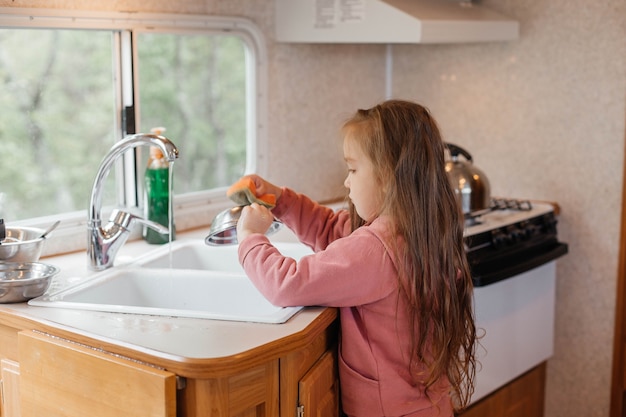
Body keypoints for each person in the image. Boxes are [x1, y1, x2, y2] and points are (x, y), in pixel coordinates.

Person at [235, 99, 477, 417]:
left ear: (388, 176)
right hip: (426, 406)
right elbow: (333, 229)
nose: (346, 181)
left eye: (352, 169)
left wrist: (250, 238)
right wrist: (281, 201)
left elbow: (288, 284)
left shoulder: (376, 249)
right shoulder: (420, 227)